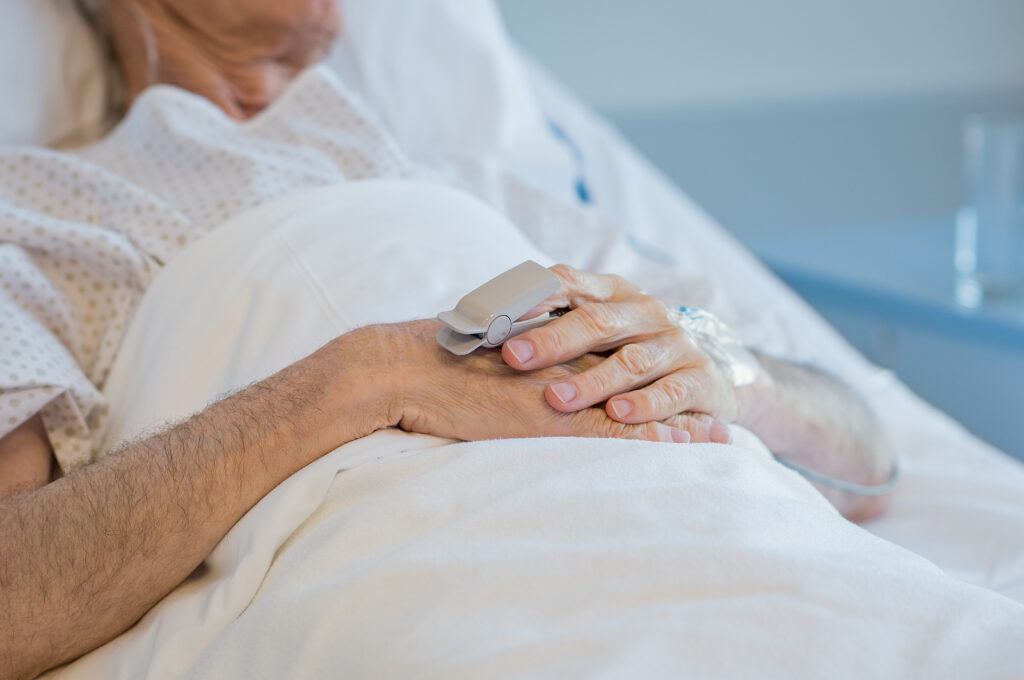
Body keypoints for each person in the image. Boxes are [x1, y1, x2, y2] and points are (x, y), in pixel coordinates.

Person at [0, 1, 894, 676]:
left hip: (742, 551)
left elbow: (870, 455)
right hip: (438, 593)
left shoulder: (480, 184)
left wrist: (721, 373)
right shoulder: (35, 216)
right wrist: (376, 374)